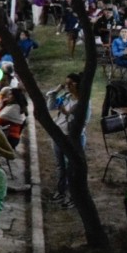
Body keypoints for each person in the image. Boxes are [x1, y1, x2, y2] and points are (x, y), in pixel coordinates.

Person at [45, 73, 88, 208]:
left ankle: (72, 196)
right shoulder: (66, 97)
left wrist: (67, 114)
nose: (68, 86)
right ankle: (61, 191)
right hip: (60, 135)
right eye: (66, 83)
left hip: (73, 138)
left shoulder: (83, 103)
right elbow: (51, 106)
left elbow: (82, 122)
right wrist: (56, 91)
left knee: (72, 168)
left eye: (71, 83)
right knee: (60, 166)